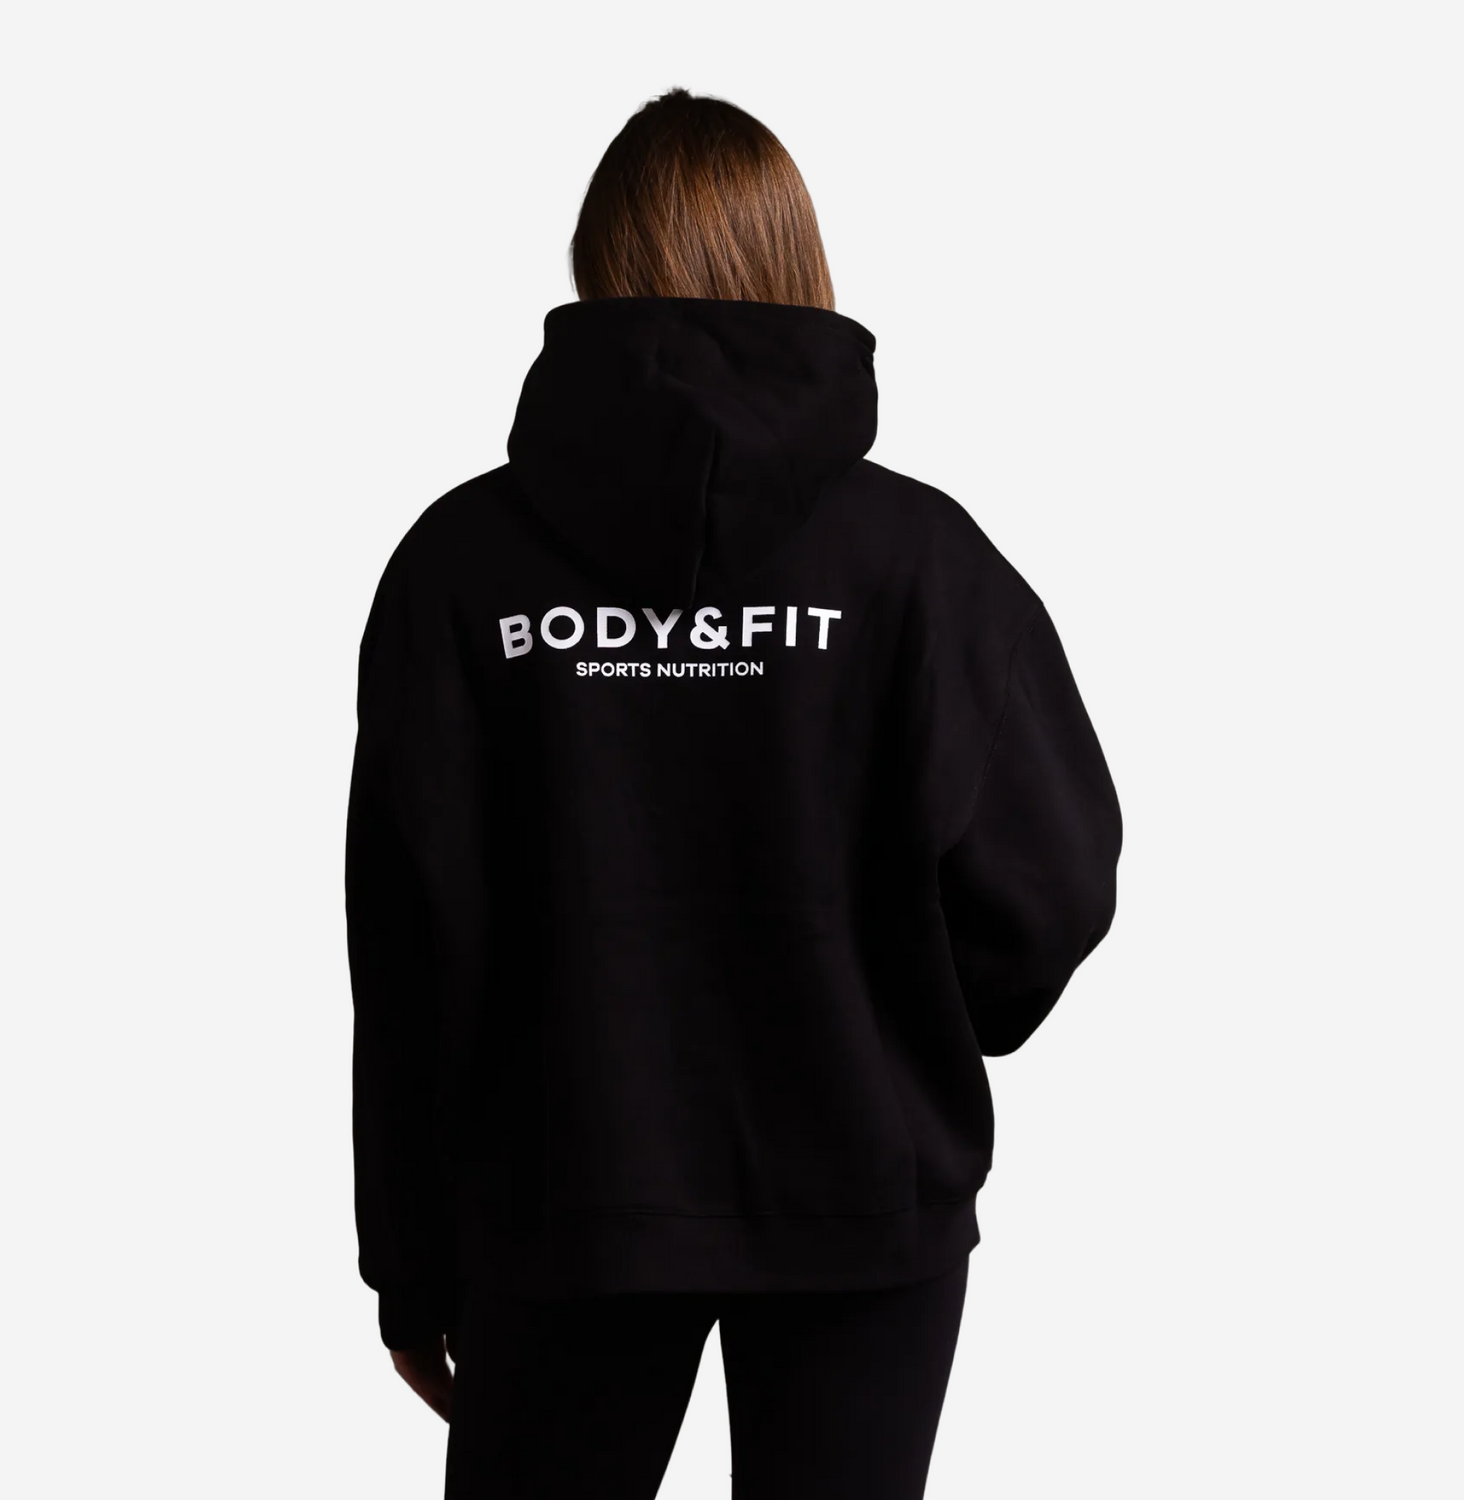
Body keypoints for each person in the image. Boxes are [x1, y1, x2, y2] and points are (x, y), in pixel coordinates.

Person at [345, 86, 1122, 1499]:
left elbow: (406, 949)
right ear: (799, 259)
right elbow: (1052, 880)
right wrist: (896, 1018)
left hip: (562, 1201)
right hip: (862, 1200)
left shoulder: (459, 567)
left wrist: (408, 1258)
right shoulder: (919, 561)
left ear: (597, 263)